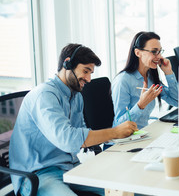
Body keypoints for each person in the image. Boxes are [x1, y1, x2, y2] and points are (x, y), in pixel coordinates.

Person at [9, 44, 138, 196]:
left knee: (129, 187)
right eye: (85, 71)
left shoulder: (76, 96)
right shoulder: (44, 95)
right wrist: (115, 132)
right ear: (67, 64)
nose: (89, 79)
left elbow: (81, 135)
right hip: (39, 175)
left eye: (91, 73)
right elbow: (69, 140)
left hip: (70, 167)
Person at [112, 31, 178, 129]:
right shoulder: (123, 81)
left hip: (144, 134)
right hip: (126, 140)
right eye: (154, 52)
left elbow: (176, 101)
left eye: (160, 51)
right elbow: (119, 125)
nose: (159, 56)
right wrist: (140, 105)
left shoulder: (151, 76)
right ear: (138, 53)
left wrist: (169, 73)